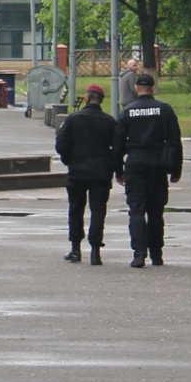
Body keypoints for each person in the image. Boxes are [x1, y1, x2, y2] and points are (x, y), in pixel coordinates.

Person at [112, 70, 183, 267]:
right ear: (152, 88)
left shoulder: (128, 111)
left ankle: (139, 253)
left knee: (136, 210)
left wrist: (118, 170)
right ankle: (157, 254)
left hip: (135, 163)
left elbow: (118, 144)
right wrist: (176, 170)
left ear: (136, 89)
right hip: (158, 163)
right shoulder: (165, 110)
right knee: (156, 211)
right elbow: (175, 142)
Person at [54, 82, 115, 264]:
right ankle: (95, 251)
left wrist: (69, 160)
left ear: (86, 98)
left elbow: (61, 145)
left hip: (77, 172)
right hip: (101, 174)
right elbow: (118, 147)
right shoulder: (109, 121)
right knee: (98, 211)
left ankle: (75, 249)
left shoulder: (73, 119)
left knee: (75, 209)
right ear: (101, 101)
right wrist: (112, 166)